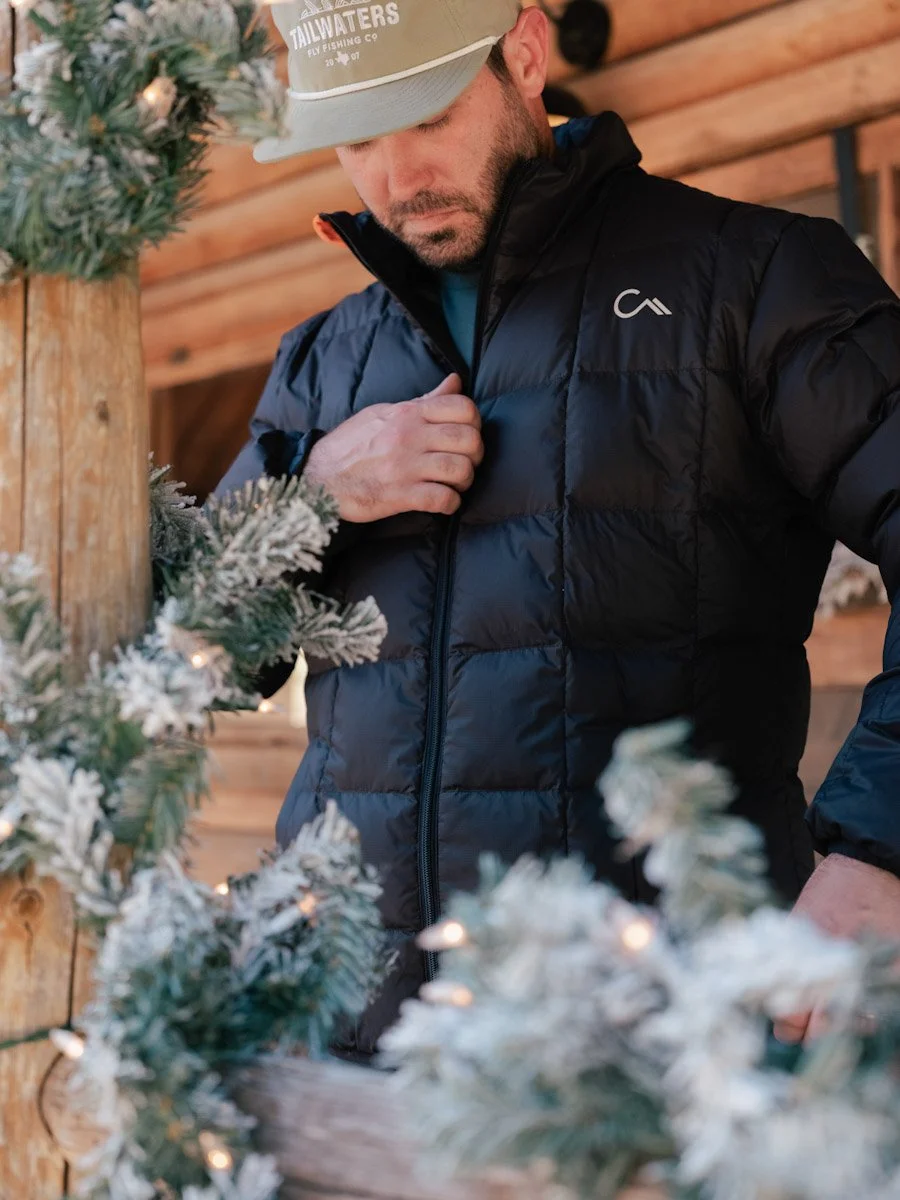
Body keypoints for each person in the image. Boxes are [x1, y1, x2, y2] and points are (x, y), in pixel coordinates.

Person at [217, 0, 900, 1058]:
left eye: (427, 115)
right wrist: (313, 495)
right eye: (356, 139)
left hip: (655, 1043)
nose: (397, 178)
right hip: (352, 1033)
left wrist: (878, 852)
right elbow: (203, 660)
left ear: (525, 55)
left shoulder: (753, 278)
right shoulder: (320, 363)